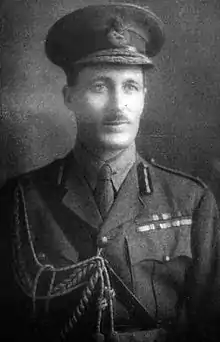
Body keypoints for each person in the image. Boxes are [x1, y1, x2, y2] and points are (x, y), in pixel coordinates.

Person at [0, 3, 220, 342]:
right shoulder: (20, 202)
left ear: (145, 97)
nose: (119, 106)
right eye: (100, 86)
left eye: (131, 87)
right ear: (70, 97)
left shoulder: (192, 202)